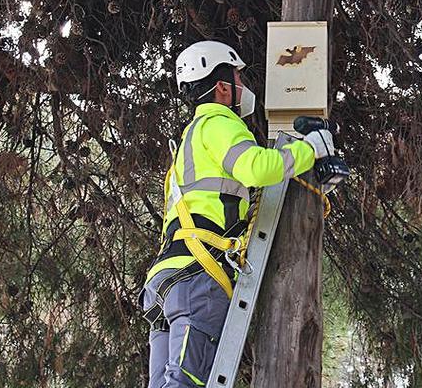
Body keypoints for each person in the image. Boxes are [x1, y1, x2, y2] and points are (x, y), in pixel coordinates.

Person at [141, 41, 334, 387]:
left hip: (165, 284)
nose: (244, 88)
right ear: (222, 87)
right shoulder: (217, 122)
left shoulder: (189, 140)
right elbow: (256, 168)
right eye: (239, 79)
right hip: (196, 276)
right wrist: (310, 150)